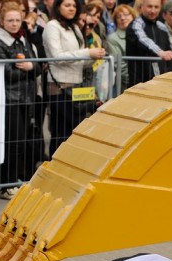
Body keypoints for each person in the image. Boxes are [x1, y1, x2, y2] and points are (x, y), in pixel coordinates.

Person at [0, 2, 40, 199]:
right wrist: (26, 68)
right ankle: (6, 184)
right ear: (2, 21)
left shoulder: (23, 39)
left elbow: (37, 65)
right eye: (10, 20)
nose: (14, 24)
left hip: (25, 97)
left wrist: (29, 67)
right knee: (11, 143)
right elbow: (4, 72)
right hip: (8, 99)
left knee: (20, 142)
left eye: (17, 20)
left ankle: (12, 179)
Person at [43, 0, 104, 155]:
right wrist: (87, 53)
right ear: (58, 7)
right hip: (59, 87)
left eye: (74, 6)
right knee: (61, 133)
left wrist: (93, 58)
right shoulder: (52, 26)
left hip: (77, 87)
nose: (71, 8)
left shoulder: (75, 27)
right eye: (67, 5)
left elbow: (78, 62)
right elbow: (57, 57)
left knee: (74, 132)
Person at [125, 0, 172, 85]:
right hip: (140, 81)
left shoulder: (162, 27)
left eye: (156, 7)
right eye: (149, 6)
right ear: (142, 7)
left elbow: (168, 50)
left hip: (162, 81)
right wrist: (160, 52)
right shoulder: (135, 25)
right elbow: (143, 40)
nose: (153, 10)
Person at [104, 3, 134, 90]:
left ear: (133, 16)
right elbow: (120, 65)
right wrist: (134, 81)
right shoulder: (113, 38)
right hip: (127, 84)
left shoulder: (140, 35)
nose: (123, 18)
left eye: (126, 15)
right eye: (119, 16)